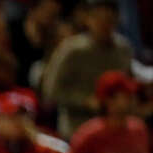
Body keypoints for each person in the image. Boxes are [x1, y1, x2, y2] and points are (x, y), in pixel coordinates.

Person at [40, 0, 133, 138]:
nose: (103, 24)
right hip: (77, 127)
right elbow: (50, 90)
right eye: (98, 18)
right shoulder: (72, 50)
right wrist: (84, 101)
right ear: (88, 19)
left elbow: (128, 83)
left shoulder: (123, 49)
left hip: (114, 126)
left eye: (108, 19)